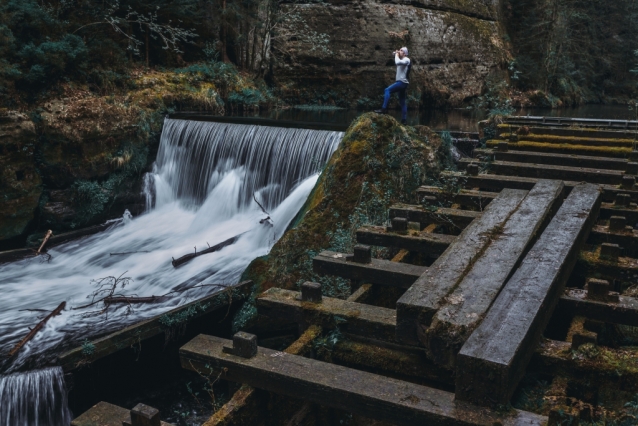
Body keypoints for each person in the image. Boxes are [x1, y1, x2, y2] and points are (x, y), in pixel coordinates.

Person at [375, 47, 411, 124]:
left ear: (404, 53)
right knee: (402, 101)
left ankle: (383, 109)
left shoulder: (407, 59)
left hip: (402, 82)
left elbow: (397, 62)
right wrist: (396, 53)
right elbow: (393, 54)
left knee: (387, 90)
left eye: (401, 50)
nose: (399, 51)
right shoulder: (401, 59)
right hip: (402, 83)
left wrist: (396, 55)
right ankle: (404, 120)